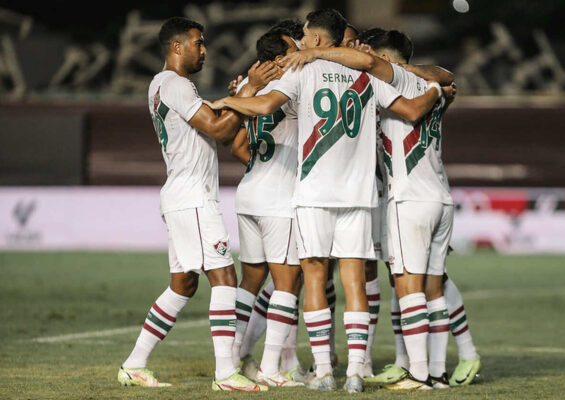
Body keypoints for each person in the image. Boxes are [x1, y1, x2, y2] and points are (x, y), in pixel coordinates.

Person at [204, 8, 445, 393]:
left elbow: (265, 107)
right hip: (359, 193)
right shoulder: (367, 74)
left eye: (304, 34)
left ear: (317, 38)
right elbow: (410, 109)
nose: (300, 40)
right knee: (354, 282)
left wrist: (226, 102)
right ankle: (354, 372)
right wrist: (436, 89)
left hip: (313, 193)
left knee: (314, 278)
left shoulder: (303, 69)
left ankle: (323, 372)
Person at [278, 28, 461, 390]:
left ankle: (419, 375)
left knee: (406, 287)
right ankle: (436, 372)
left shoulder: (381, 76)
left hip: (405, 198)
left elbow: (391, 90)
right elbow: (444, 77)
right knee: (431, 287)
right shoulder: (427, 87)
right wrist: (438, 90)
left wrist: (316, 55)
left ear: (387, 59)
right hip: (440, 196)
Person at [117, 16, 275, 392]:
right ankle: (226, 374)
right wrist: (252, 88)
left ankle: (134, 365)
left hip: (181, 195)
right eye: (197, 43)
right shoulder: (175, 84)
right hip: (193, 197)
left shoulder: (165, 87)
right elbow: (222, 130)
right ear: (176, 47)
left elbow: (219, 130)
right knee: (224, 277)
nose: (204, 50)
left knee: (184, 284)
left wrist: (240, 97)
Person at [228, 29, 307, 388]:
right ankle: (271, 369)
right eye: (294, 48)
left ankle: (232, 358)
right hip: (278, 199)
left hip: (249, 192)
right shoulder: (293, 80)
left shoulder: (247, 84)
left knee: (251, 280)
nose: (300, 53)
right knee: (287, 282)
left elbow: (239, 147)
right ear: (279, 59)